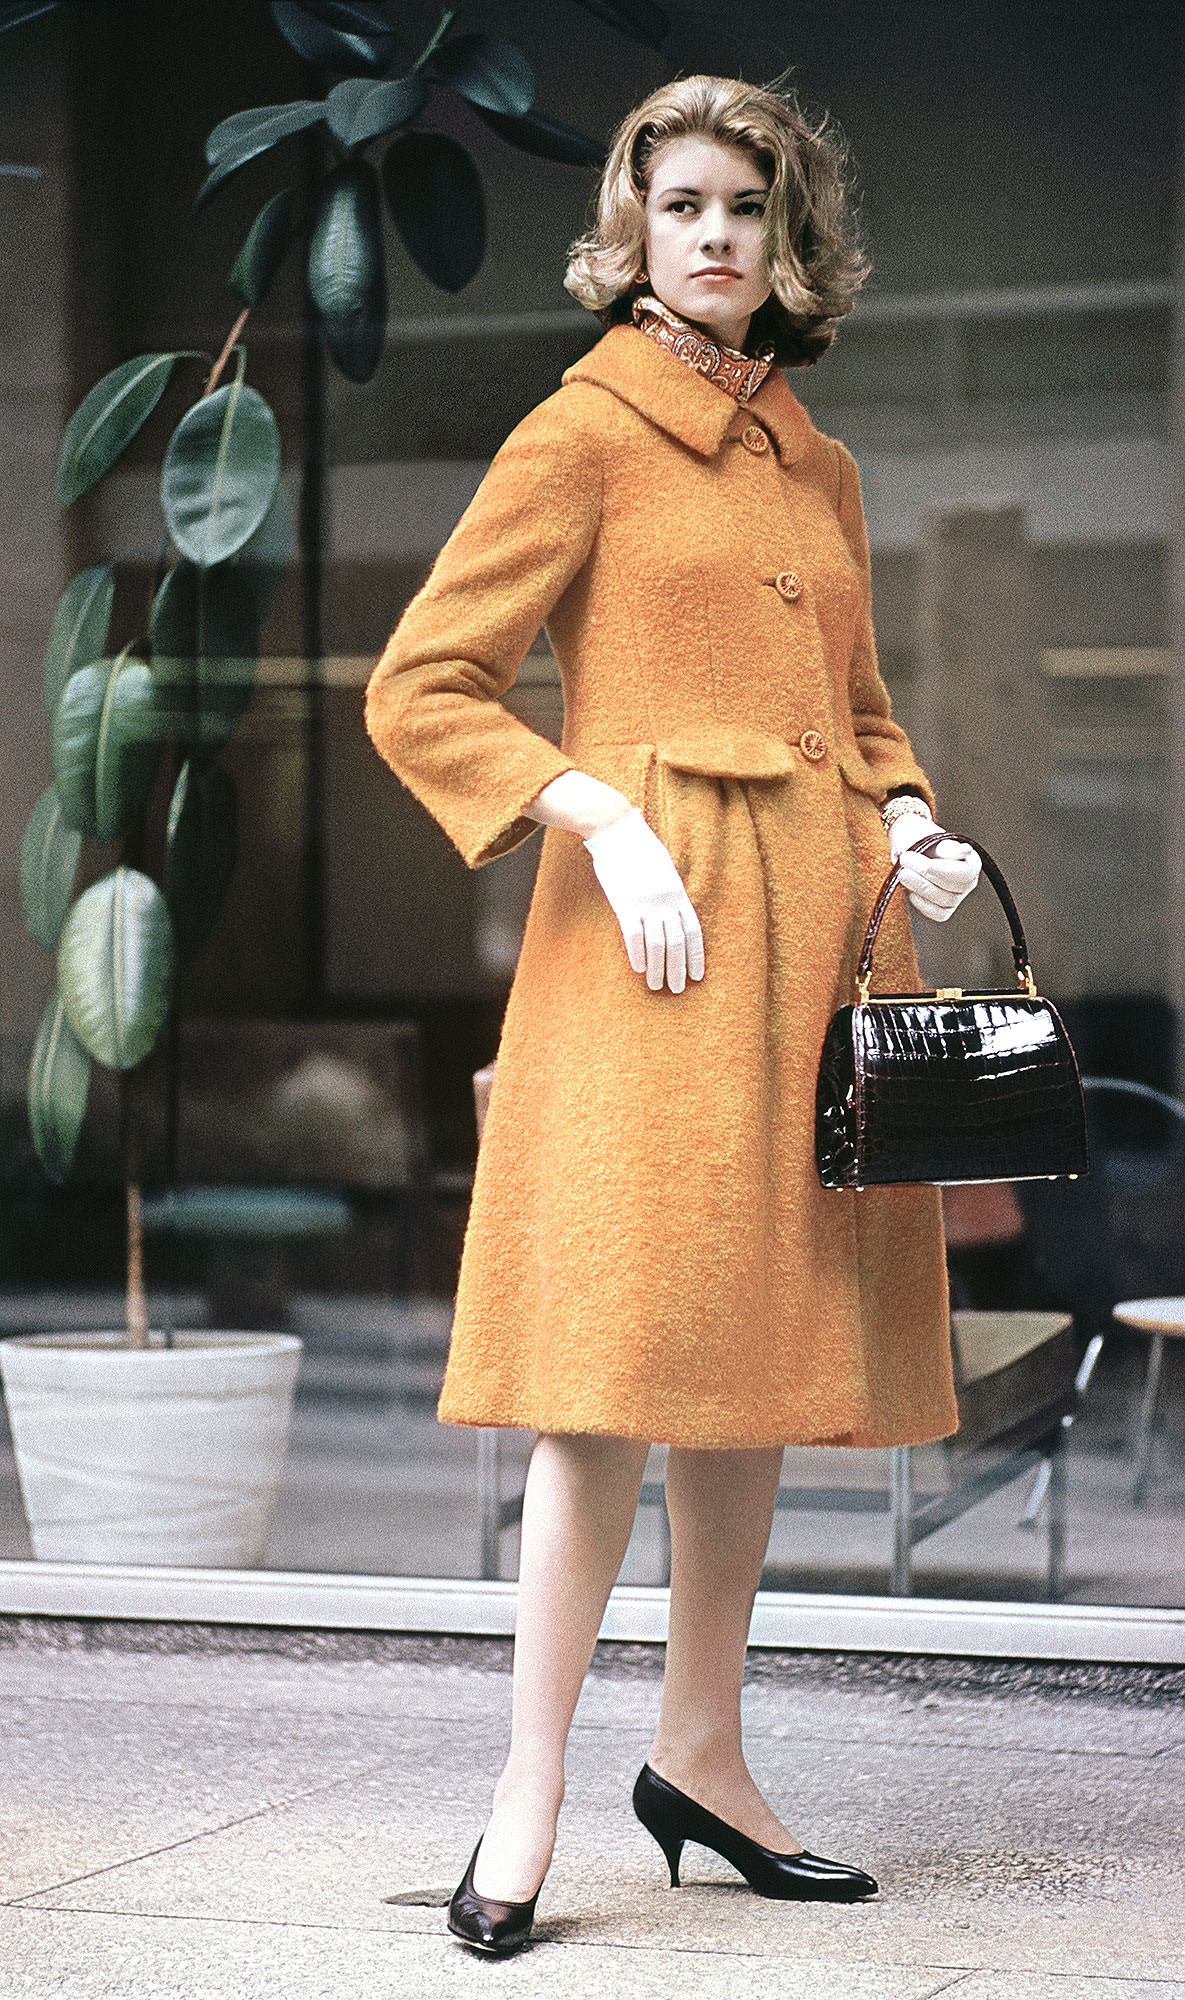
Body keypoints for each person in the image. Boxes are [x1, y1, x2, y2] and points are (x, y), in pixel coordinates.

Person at [365, 73, 981, 1956]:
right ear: (632, 229)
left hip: (816, 950)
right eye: (683, 202)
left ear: (793, 243)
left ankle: (701, 1757)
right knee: (609, 1374)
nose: (714, 235)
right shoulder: (583, 433)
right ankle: (529, 1783)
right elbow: (426, 684)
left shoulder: (820, 463)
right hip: (645, 953)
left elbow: (861, 713)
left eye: (748, 207)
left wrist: (912, 818)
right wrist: (596, 807)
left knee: (756, 1363)